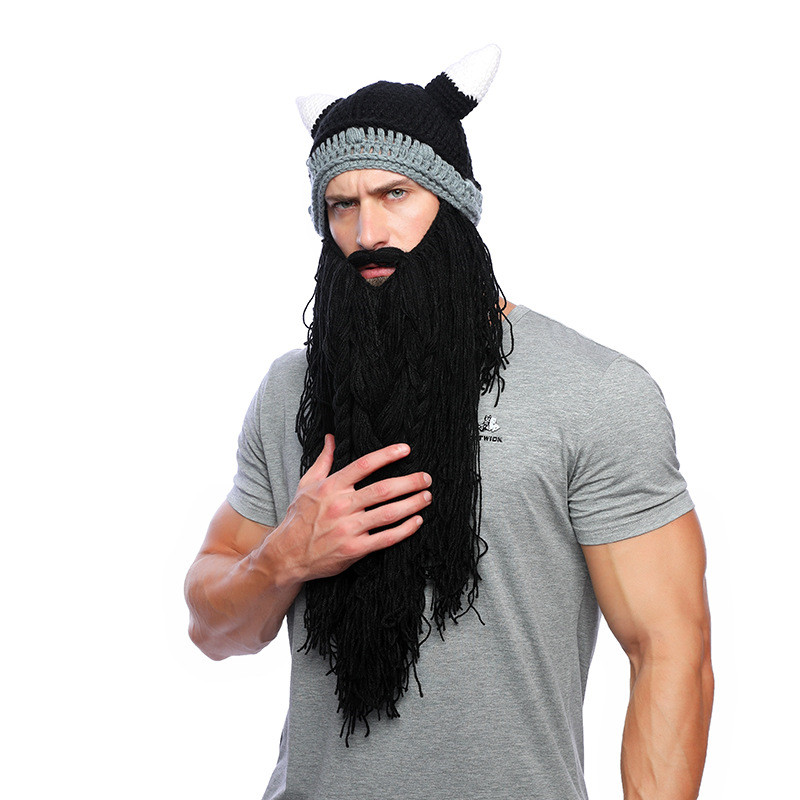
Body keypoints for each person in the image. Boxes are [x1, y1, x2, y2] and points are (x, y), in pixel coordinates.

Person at [185, 45, 713, 800]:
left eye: (395, 193)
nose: (368, 231)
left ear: (454, 203)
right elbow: (212, 628)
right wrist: (282, 558)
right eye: (342, 204)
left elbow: (669, 648)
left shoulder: (593, 391)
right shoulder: (291, 392)